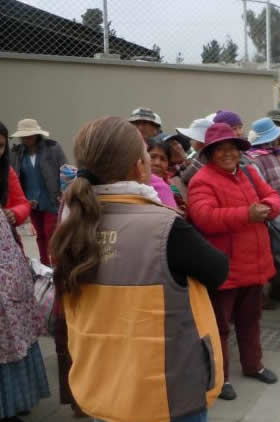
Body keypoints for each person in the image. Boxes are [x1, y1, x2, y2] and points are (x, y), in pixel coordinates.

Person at [50, 116, 229, 422]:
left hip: (101, 389)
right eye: (148, 155)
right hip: (166, 396)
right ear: (139, 167)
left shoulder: (70, 226)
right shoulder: (165, 227)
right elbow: (218, 270)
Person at [188, 122, 280, 401]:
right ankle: (221, 377)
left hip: (255, 264)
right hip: (225, 269)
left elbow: (274, 197)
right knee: (219, 326)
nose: (228, 153)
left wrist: (269, 209)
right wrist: (246, 215)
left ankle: (254, 365)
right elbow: (203, 218)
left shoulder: (250, 173)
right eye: (221, 149)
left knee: (251, 320)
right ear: (210, 153)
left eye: (232, 148)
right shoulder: (202, 180)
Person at [0, 195, 50, 422]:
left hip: (9, 273)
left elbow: (21, 200)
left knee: (15, 338)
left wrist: (16, 212)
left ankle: (16, 403)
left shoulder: (4, 170)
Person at [247, 117, 280, 307]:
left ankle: (277, 289)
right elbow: (258, 186)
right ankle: (265, 294)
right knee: (270, 254)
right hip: (272, 212)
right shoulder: (255, 160)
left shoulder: (279, 155)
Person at [9, 118, 68, 265]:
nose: (27, 139)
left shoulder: (53, 148)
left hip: (52, 198)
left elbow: (65, 170)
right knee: (40, 235)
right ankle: (44, 264)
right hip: (31, 201)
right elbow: (13, 175)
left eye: (29, 135)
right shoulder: (16, 153)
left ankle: (55, 265)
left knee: (52, 234)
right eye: (24, 136)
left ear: (37, 134)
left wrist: (64, 191)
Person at [0, 121, 30, 233]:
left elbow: (22, 203)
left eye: (1, 146)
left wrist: (14, 213)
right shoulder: (18, 151)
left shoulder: (6, 171)